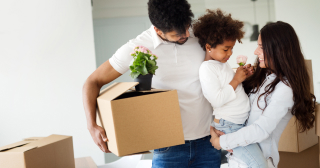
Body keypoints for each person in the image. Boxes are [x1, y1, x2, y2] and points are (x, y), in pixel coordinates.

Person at [82, 0, 221, 167]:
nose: (186, 34)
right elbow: (92, 81)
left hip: (209, 141)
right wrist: (92, 125)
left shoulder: (199, 36)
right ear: (157, 30)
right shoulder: (137, 47)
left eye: (187, 26)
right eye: (178, 34)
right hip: (168, 147)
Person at [210, 21, 316, 168]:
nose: (255, 52)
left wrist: (221, 142)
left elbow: (261, 130)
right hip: (236, 157)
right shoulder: (264, 75)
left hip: (259, 161)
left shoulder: (286, 88)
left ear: (278, 49)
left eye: (261, 47)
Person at [194, 9, 267, 168]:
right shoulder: (206, 69)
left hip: (236, 124)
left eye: (232, 48)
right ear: (208, 47)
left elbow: (227, 84)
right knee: (259, 165)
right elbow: (217, 99)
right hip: (230, 126)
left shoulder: (220, 64)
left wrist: (242, 75)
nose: (230, 53)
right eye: (225, 49)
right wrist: (236, 79)